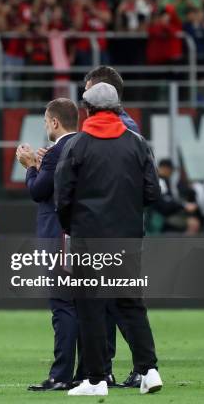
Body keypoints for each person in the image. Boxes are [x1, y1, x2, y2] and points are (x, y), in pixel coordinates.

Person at [56, 82, 163, 396]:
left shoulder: (78, 145)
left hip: (88, 238)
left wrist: (72, 226)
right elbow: (153, 193)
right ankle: (149, 370)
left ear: (87, 110)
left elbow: (62, 197)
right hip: (128, 237)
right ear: (117, 108)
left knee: (91, 307)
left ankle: (96, 379)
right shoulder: (138, 143)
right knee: (131, 305)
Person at [16, 98, 82, 391]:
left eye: (46, 121)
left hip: (60, 239)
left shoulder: (57, 151)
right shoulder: (85, 146)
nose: (45, 126)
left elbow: (39, 191)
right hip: (85, 236)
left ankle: (61, 375)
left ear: (55, 122)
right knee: (85, 307)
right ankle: (93, 371)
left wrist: (31, 167)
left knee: (62, 305)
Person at [83, 65, 141, 388]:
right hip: (125, 226)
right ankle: (132, 368)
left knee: (116, 302)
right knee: (117, 300)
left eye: (89, 90)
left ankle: (125, 368)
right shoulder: (130, 131)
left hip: (108, 228)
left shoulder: (119, 130)